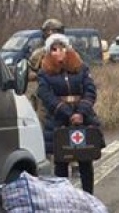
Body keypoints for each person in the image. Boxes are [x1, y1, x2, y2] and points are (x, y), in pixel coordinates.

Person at [37, 32, 101, 193]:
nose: (58, 52)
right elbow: (46, 95)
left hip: (83, 118)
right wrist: (66, 112)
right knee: (61, 163)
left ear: (68, 49)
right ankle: (64, 199)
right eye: (54, 49)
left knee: (85, 161)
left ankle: (88, 197)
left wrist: (81, 112)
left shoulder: (81, 68)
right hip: (58, 120)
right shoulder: (45, 72)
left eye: (62, 47)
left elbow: (90, 90)